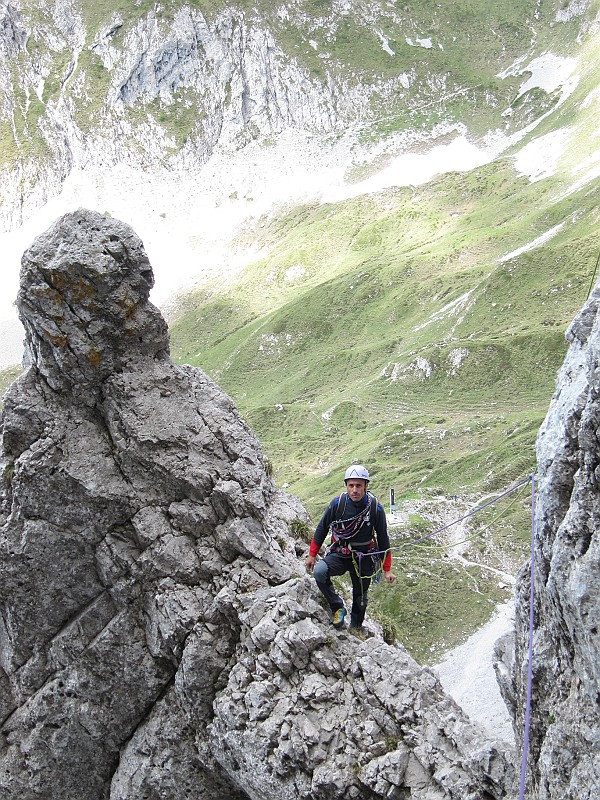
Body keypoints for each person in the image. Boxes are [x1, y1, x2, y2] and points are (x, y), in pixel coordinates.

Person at [305, 464, 396, 632]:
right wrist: (312, 555)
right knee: (319, 573)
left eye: (359, 485)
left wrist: (387, 569)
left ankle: (355, 627)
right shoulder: (338, 504)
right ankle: (337, 607)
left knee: (360, 597)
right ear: (346, 486)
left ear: (366, 486)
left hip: (364, 558)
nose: (355, 490)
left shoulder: (375, 508)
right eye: (351, 485)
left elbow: (383, 539)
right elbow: (322, 528)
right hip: (340, 554)